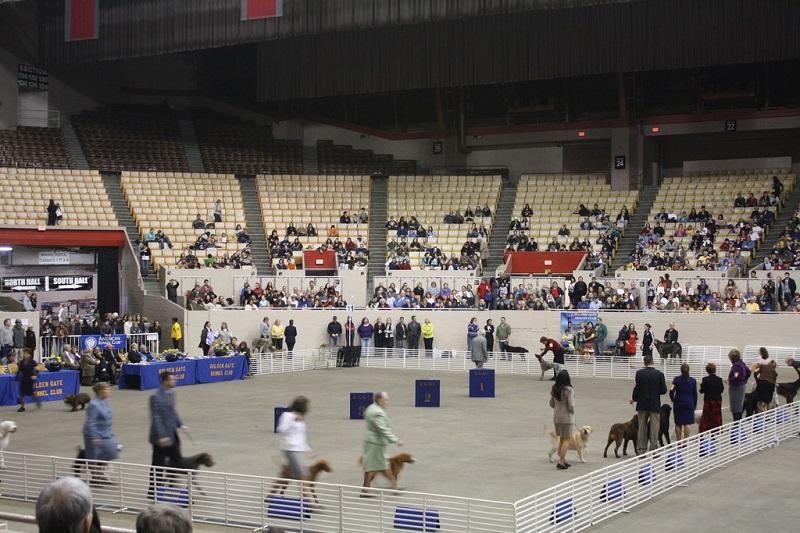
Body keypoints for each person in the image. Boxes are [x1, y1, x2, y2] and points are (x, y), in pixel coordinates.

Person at [148, 371, 187, 499]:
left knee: (177, 459)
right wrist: (162, 436)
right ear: (164, 381)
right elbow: (156, 417)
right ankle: (154, 490)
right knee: (158, 464)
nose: (174, 381)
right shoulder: (156, 397)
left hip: (172, 432)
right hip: (160, 437)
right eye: (171, 379)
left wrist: (180, 424)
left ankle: (171, 483)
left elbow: (173, 411)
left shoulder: (172, 393)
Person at [361, 392, 402, 496]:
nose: (387, 402)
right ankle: (393, 486)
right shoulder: (378, 412)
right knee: (377, 466)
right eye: (386, 400)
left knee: (377, 465)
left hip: (371, 440)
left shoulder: (371, 407)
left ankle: (366, 489)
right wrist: (395, 439)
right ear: (380, 400)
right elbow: (382, 429)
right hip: (375, 442)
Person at [277, 396, 313, 502]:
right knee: (302, 476)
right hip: (290, 449)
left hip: (298, 450)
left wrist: (307, 448)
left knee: (285, 475)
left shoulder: (301, 419)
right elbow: (281, 430)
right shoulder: (287, 416)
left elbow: (301, 436)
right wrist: (292, 420)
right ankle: (312, 503)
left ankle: (269, 496)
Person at [83, 382, 118, 484]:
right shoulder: (94, 404)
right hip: (94, 434)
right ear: (100, 391)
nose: (109, 391)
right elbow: (91, 422)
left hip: (106, 433)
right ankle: (96, 478)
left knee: (111, 453)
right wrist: (94, 436)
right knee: (94, 456)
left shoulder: (105, 401)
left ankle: (103, 475)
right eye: (107, 390)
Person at [631, 354, 667, 454]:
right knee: (655, 427)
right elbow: (663, 390)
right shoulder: (659, 374)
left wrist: (634, 398)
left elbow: (637, 388)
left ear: (644, 363)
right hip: (654, 403)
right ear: (653, 362)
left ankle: (641, 448)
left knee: (642, 426)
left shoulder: (639, 373)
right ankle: (654, 448)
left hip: (642, 403)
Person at [549, 370, 575, 470]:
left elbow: (551, 404)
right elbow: (571, 405)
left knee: (561, 439)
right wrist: (572, 411)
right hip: (567, 418)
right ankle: (561, 462)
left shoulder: (554, 389)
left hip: (556, 418)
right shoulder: (569, 390)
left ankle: (563, 460)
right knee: (567, 439)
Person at [669, 364, 697, 441]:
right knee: (687, 423)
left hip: (678, 403)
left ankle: (679, 441)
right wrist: (694, 405)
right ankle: (685, 441)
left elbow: (671, 391)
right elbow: (695, 394)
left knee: (678, 423)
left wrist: (672, 399)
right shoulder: (693, 381)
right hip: (689, 403)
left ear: (681, 370)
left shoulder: (676, 379)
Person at [699, 363, 724, 432]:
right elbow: (721, 390)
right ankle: (716, 430)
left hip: (708, 400)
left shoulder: (705, 379)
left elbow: (702, 390)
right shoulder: (719, 379)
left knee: (707, 416)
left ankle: (706, 429)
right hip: (717, 400)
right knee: (716, 415)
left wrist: (701, 388)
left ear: (707, 371)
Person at [727, 349, 750, 421]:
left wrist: (729, 380)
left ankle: (736, 424)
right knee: (739, 406)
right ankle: (738, 423)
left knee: (735, 407)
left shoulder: (736, 366)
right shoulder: (742, 363)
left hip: (736, 388)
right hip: (742, 386)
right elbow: (748, 372)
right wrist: (744, 381)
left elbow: (737, 377)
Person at [753, 347, 778, 413]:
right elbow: (775, 375)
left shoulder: (761, 363)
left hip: (763, 382)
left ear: (761, 353)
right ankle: (768, 416)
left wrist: (756, 378)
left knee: (759, 401)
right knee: (769, 401)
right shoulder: (772, 362)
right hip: (771, 383)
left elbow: (756, 372)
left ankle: (760, 415)